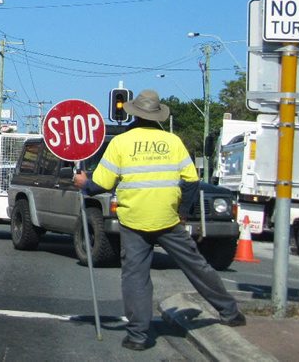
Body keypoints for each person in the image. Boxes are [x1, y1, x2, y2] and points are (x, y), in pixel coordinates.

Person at [72, 89, 245, 351]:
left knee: (136, 277)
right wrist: (183, 210)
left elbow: (101, 185)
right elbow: (190, 181)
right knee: (197, 265)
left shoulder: (121, 143)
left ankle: (138, 336)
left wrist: (84, 183)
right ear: (157, 116)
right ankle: (230, 312)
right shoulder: (173, 142)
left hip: (134, 219)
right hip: (168, 218)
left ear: (134, 115)